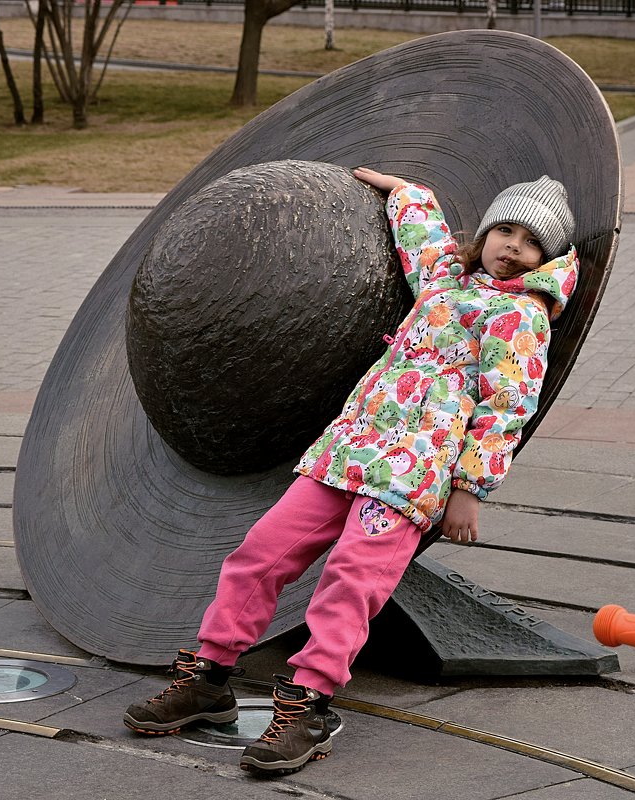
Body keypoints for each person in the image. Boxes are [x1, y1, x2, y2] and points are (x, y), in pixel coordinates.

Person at [123, 167, 579, 776]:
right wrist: (407, 193)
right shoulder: (444, 284)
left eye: (531, 244)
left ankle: (309, 703)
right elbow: (425, 241)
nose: (512, 248)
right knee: (260, 555)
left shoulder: (522, 319)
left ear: (543, 260)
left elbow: (506, 408)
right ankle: (209, 675)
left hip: (408, 476)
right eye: (506, 231)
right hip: (348, 453)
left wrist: (471, 488)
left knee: (350, 580)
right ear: (489, 232)